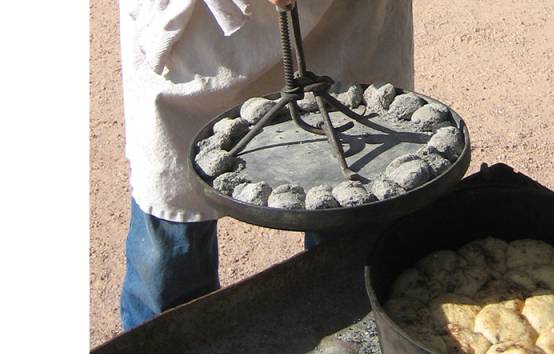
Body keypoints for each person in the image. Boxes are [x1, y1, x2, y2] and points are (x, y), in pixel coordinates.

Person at [118, 0, 414, 331]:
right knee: (172, 231)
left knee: (356, 222)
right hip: (199, 38)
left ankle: (350, 337)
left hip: (343, 20)